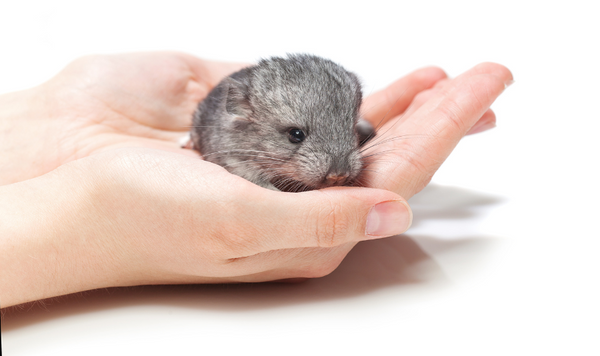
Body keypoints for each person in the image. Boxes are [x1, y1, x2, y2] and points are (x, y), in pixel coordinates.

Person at [0, 52, 512, 308]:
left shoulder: (337, 124)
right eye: (295, 137)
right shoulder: (229, 130)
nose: (338, 167)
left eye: (347, 132)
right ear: (244, 117)